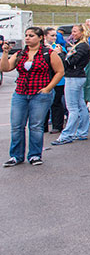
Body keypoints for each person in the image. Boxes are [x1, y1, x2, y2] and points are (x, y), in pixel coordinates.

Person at [1, 27, 64, 167]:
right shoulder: (20, 53)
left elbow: (60, 72)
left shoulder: (48, 53)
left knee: (36, 126)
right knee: (17, 125)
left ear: (40, 38)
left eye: (31, 35)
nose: (28, 38)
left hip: (39, 94)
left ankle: (35, 155)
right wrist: (5, 53)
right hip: (21, 93)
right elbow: (5, 68)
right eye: (26, 35)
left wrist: (48, 88)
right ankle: (16, 156)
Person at [51, 23, 90, 145]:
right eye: (72, 32)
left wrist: (60, 53)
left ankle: (67, 134)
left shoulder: (82, 47)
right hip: (77, 76)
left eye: (75, 32)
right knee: (80, 105)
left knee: (72, 107)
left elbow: (71, 62)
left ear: (82, 32)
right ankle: (82, 131)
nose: (72, 34)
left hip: (74, 77)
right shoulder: (80, 46)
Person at [44, 27, 65, 134]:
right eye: (52, 35)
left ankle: (57, 125)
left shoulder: (58, 47)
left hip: (58, 80)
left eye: (55, 35)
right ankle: (43, 126)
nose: (54, 38)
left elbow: (64, 60)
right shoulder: (41, 49)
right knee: (43, 103)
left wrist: (56, 52)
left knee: (56, 102)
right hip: (44, 80)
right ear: (44, 36)